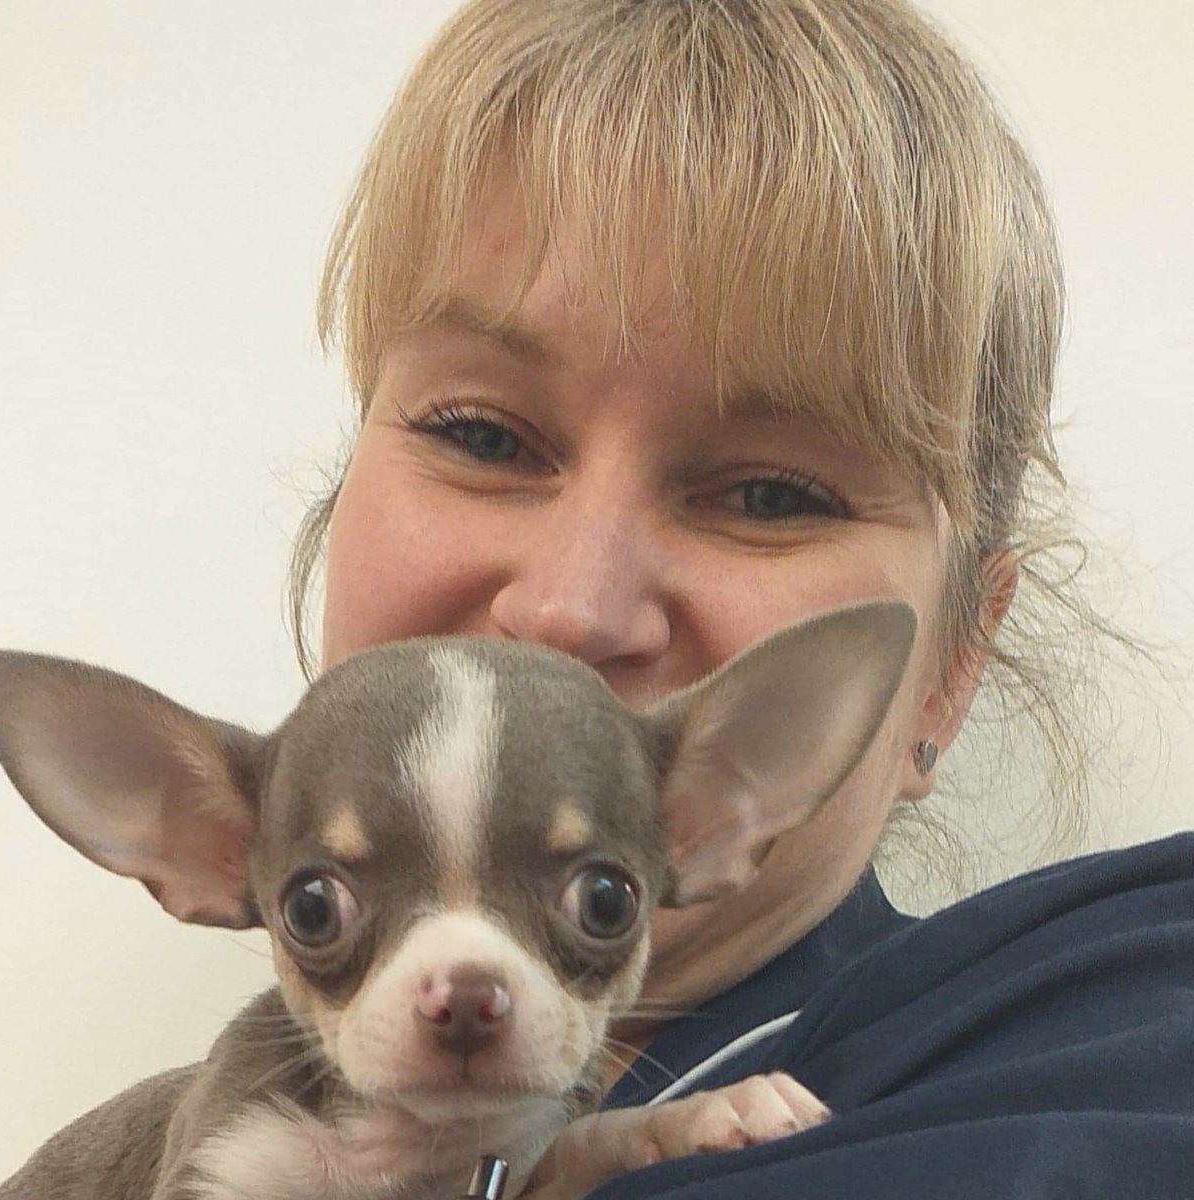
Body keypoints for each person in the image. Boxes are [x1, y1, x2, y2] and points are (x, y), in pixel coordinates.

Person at [287, 0, 1194, 1194]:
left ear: (954, 665)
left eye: (770, 494)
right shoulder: (228, 1130)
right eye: (482, 435)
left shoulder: (1123, 1024)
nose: (570, 611)